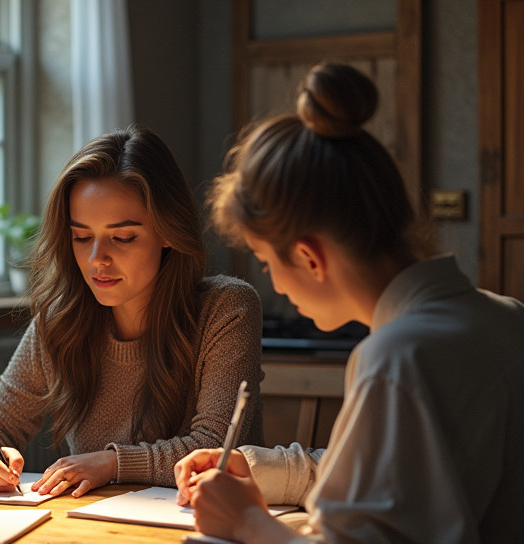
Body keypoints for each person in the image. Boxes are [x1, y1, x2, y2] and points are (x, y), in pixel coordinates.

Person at [174, 63, 524, 543]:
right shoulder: (504, 316)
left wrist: (247, 523)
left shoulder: (400, 358)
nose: (274, 286)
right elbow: (404, 484)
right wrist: (259, 467)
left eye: (265, 261)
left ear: (308, 256)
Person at [0, 125, 264, 498]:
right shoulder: (60, 320)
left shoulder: (227, 309)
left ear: (167, 232)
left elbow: (214, 448)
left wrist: (111, 463)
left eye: (123, 237)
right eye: (81, 237)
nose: (96, 258)